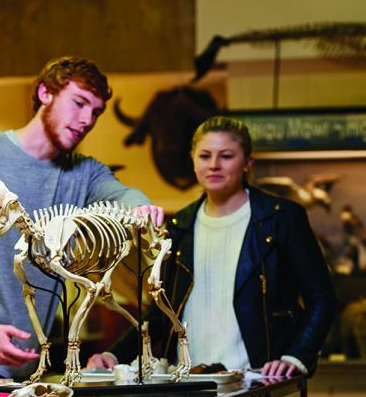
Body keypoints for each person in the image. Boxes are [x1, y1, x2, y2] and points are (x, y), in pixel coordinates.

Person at [0, 56, 163, 387]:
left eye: (95, 112)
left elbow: (124, 195)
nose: (86, 120)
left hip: (31, 371)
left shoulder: (85, 172)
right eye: (79, 103)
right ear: (45, 93)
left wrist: (144, 207)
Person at [89, 116, 336, 377]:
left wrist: (297, 356)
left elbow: (322, 298)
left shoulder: (281, 219)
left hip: (259, 378)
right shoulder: (179, 226)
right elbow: (162, 312)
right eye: (205, 156)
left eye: (226, 156)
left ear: (247, 163)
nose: (214, 165)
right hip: (189, 380)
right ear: (193, 161)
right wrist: (113, 354)